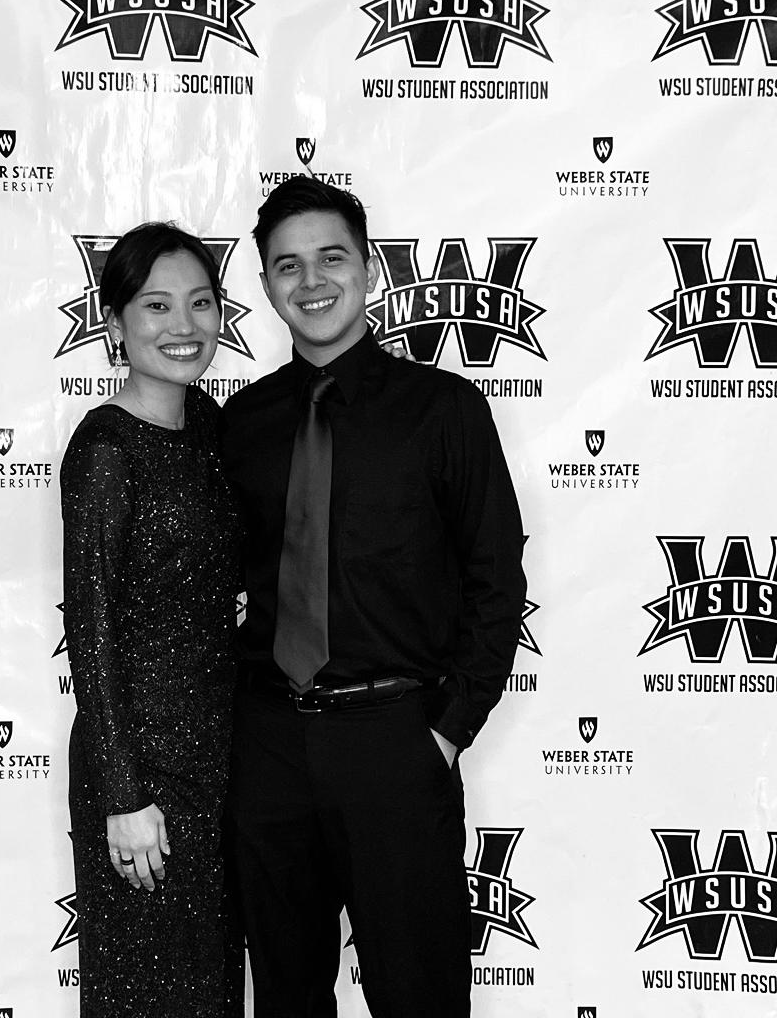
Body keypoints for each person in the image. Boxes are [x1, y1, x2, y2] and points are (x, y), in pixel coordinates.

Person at [221, 176, 527, 1018]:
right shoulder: (241, 423)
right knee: (286, 996)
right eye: (288, 265)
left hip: (394, 740)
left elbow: (497, 579)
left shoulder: (444, 409)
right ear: (266, 284)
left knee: (418, 996)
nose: (311, 280)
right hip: (269, 743)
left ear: (370, 268)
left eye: (332, 258)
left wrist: (446, 730)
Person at [60, 223, 243, 1018]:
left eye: (200, 304)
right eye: (157, 306)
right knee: (147, 991)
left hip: (221, 762)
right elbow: (90, 628)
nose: (183, 326)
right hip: (142, 772)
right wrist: (123, 795)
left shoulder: (208, 425)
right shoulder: (105, 447)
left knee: (211, 989)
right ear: (115, 324)